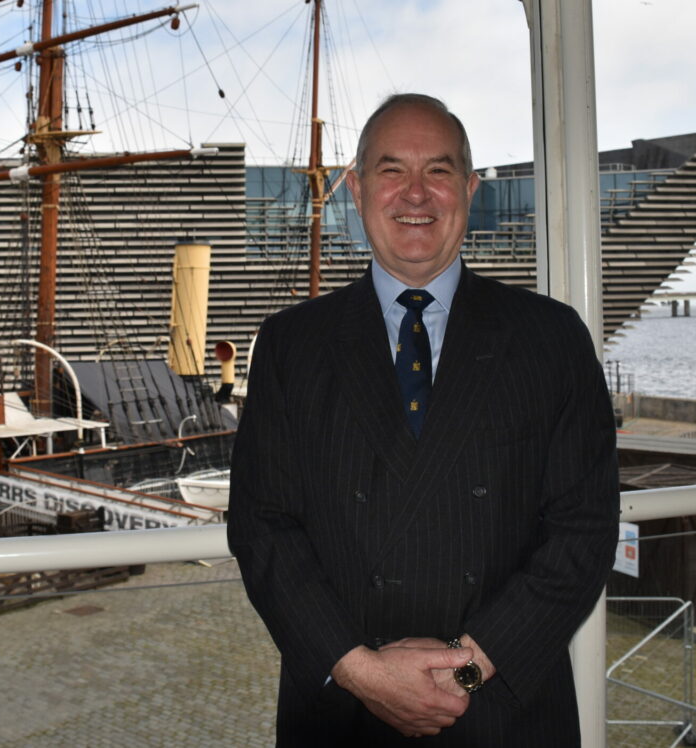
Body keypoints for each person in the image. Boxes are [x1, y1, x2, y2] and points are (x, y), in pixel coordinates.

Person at [227, 93, 620, 747]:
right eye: (391, 171)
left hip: (502, 713)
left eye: (438, 171)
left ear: (468, 189)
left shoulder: (551, 338)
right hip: (343, 711)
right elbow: (264, 529)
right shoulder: (290, 346)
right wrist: (363, 673)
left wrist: (461, 677)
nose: (416, 195)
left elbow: (583, 532)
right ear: (356, 189)